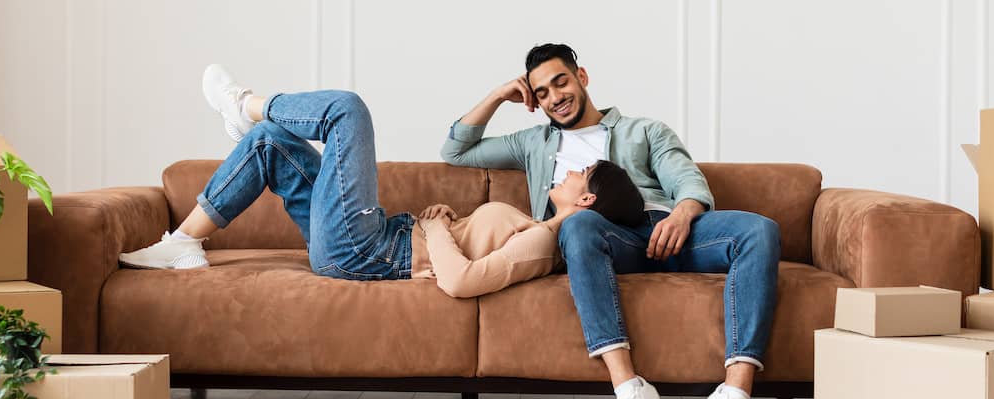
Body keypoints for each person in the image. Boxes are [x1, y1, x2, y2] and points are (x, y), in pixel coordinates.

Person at [441, 43, 781, 399]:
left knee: (760, 230)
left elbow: (688, 181)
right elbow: (455, 150)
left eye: (560, 82)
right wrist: (497, 95)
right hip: (602, 240)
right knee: (578, 224)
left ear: (581, 77)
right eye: (541, 92)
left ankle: (732, 398)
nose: (554, 97)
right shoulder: (532, 143)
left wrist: (682, 214)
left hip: (667, 228)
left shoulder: (644, 130)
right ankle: (631, 394)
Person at [118, 65, 646, 301]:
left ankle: (243, 104)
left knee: (347, 110)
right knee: (272, 142)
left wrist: (436, 228)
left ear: (587, 198)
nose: (571, 169)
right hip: (375, 241)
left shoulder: (542, 241)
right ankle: (184, 244)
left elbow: (461, 282)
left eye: (580, 172)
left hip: (369, 251)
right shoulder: (536, 227)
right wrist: (450, 221)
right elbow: (458, 159)